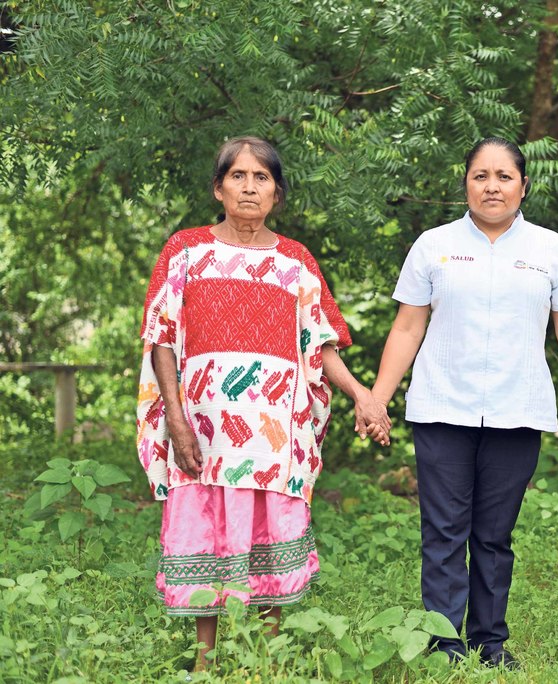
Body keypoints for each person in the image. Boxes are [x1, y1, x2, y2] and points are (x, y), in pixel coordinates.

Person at [136, 136, 389, 671]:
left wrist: (363, 395)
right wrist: (177, 420)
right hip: (202, 431)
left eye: (261, 177)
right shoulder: (185, 250)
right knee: (205, 528)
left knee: (269, 531)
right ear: (218, 188)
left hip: (273, 435)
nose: (249, 187)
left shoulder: (295, 261)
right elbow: (161, 339)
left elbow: (320, 345)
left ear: (277, 193)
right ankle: (204, 662)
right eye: (238, 176)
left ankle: (267, 662)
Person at [369, 137, 558, 669]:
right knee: (444, 531)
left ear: (524, 185)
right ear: (466, 184)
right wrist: (377, 399)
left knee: (495, 536)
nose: (492, 186)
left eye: (504, 176)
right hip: (441, 408)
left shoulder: (549, 248)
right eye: (481, 176)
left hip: (517, 409)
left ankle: (489, 643)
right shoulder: (433, 245)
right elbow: (407, 326)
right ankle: (444, 644)